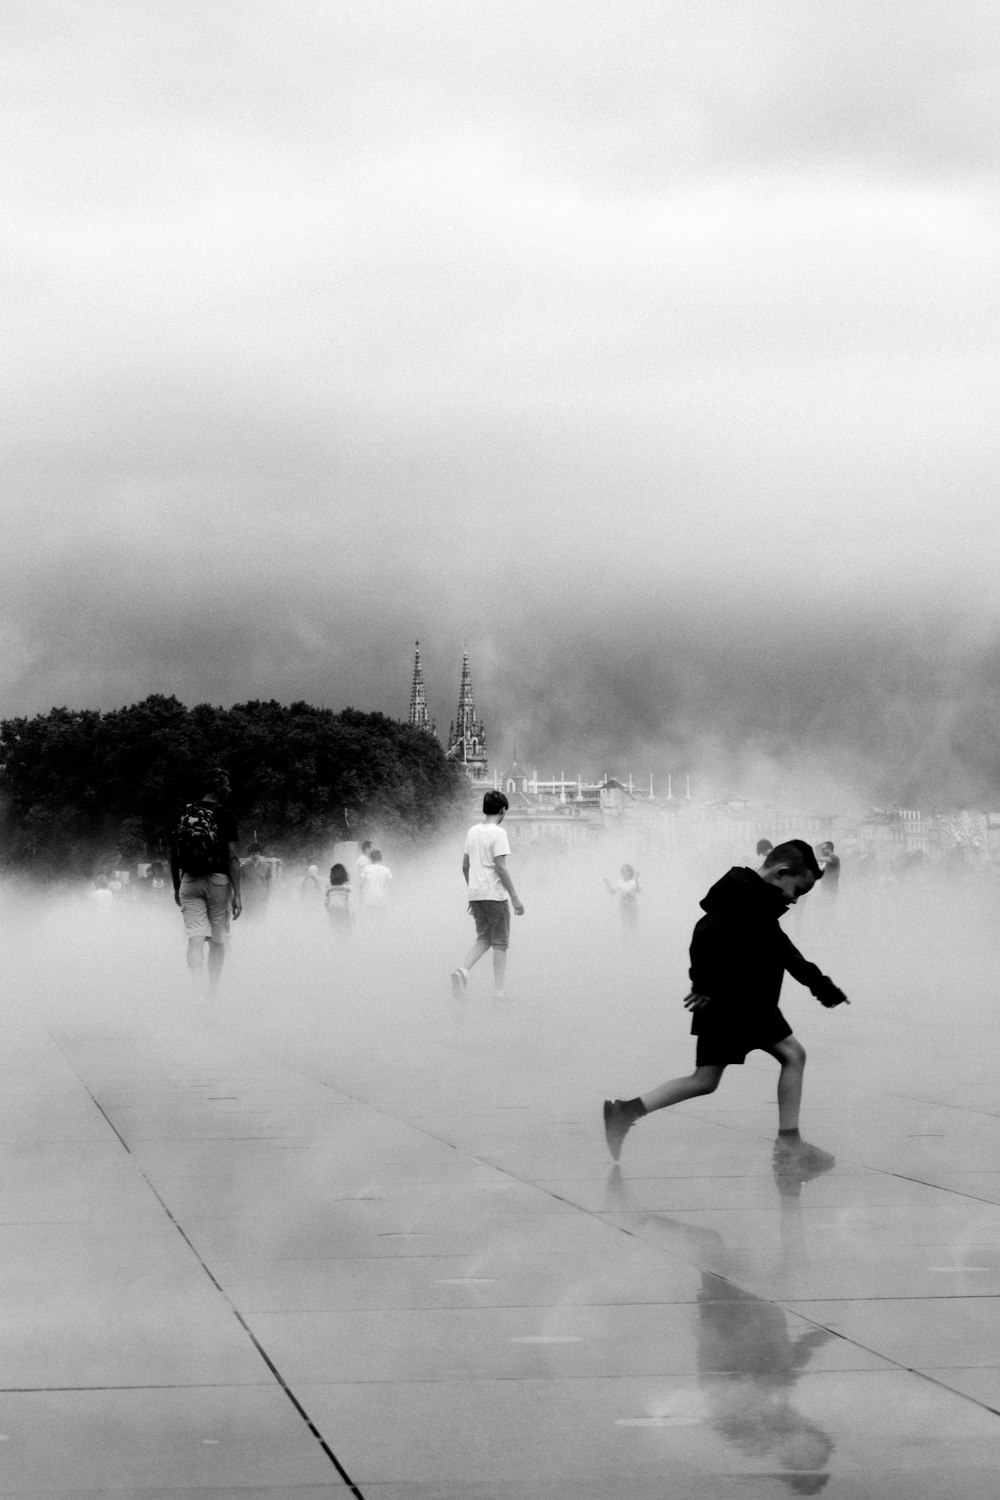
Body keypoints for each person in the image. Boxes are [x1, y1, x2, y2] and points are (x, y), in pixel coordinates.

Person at [603, 840, 848, 1173]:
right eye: (797, 889)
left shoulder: (752, 898)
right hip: (737, 1000)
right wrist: (702, 983)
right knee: (793, 1056)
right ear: (781, 873)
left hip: (737, 999)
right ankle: (789, 1145)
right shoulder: (745, 899)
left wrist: (820, 985)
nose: (794, 899)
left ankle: (625, 1112)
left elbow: (783, 950)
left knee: (705, 1079)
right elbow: (704, 934)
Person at [170, 769, 242, 997]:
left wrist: (176, 885)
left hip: (189, 880)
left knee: (195, 937)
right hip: (218, 881)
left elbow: (172, 854)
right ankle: (211, 993)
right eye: (227, 785)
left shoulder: (184, 813)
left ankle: (197, 989)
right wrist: (237, 893)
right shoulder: (226, 815)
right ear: (218, 788)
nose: (229, 789)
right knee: (218, 939)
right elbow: (232, 856)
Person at [451, 789, 525, 1002]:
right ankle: (499, 994)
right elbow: (500, 867)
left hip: (476, 894)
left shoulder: (472, 831)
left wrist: (473, 889)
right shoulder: (499, 833)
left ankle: (463, 970)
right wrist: (514, 897)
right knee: (500, 943)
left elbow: (465, 865)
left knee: (484, 938)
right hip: (494, 896)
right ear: (502, 810)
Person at [240, 842, 274, 921]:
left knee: (261, 919)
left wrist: (267, 896)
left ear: (260, 854)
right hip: (249, 899)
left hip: (262, 898)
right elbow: (240, 883)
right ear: (249, 855)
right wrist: (242, 897)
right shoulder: (243, 867)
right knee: (249, 920)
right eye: (253, 854)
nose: (255, 856)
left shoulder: (267, 866)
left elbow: (269, 883)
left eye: (257, 853)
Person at [604, 863, 640, 934]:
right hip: (623, 905)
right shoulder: (620, 882)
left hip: (632, 905)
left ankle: (634, 938)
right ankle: (625, 939)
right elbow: (613, 892)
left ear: (630, 872)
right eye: (623, 870)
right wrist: (608, 884)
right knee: (625, 922)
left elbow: (639, 891)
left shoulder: (633, 882)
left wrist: (636, 880)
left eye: (626, 870)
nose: (624, 872)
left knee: (633, 923)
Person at [325, 863, 353, 937]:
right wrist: (352, 913)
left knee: (334, 931)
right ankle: (344, 946)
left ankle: (336, 946)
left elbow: (326, 902)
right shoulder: (347, 887)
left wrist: (328, 910)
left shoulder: (329, 887)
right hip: (344, 911)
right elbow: (349, 901)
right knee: (345, 932)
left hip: (333, 911)